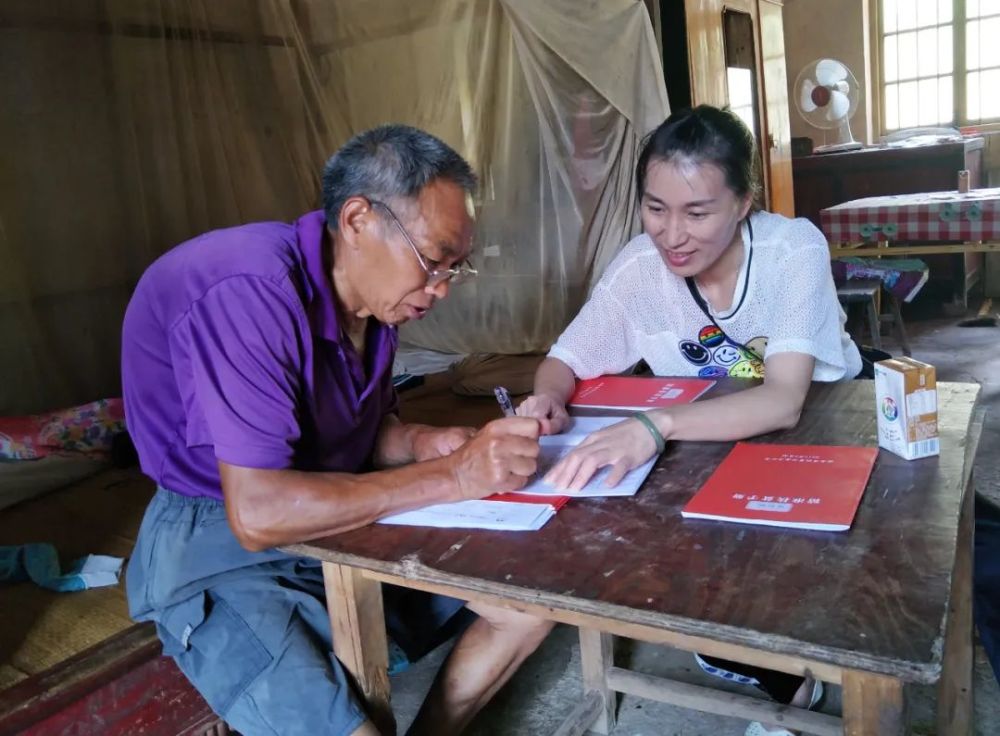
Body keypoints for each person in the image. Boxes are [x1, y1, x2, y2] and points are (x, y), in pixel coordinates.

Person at [122, 124, 553, 736]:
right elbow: (260, 513)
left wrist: (422, 443)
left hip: (332, 505)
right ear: (357, 221)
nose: (442, 289)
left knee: (527, 604)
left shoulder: (374, 303)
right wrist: (452, 476)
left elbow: (366, 433)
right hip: (217, 541)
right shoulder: (250, 290)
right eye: (433, 261)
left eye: (457, 268)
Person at [517, 105, 862, 736]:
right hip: (706, 423)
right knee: (669, 554)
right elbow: (565, 357)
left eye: (697, 212)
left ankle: (791, 681)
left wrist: (654, 425)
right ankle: (771, 664)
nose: (671, 234)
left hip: (827, 415)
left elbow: (785, 400)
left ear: (742, 203)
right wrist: (545, 397)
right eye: (656, 208)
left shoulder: (791, 250)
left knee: (797, 563)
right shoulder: (639, 270)